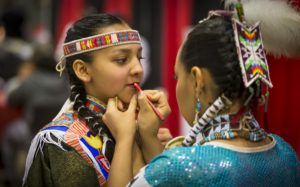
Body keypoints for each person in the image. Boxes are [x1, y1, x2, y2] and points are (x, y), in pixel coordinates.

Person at [123, 3, 299, 187]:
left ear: (198, 81)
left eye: (177, 77)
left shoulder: (177, 168)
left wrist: (124, 138)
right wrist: (150, 140)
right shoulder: (286, 155)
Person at [22, 14, 171, 187]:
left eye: (139, 58)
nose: (138, 69)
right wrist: (126, 139)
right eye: (122, 60)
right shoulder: (63, 143)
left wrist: (148, 137)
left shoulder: (139, 124)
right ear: (83, 70)